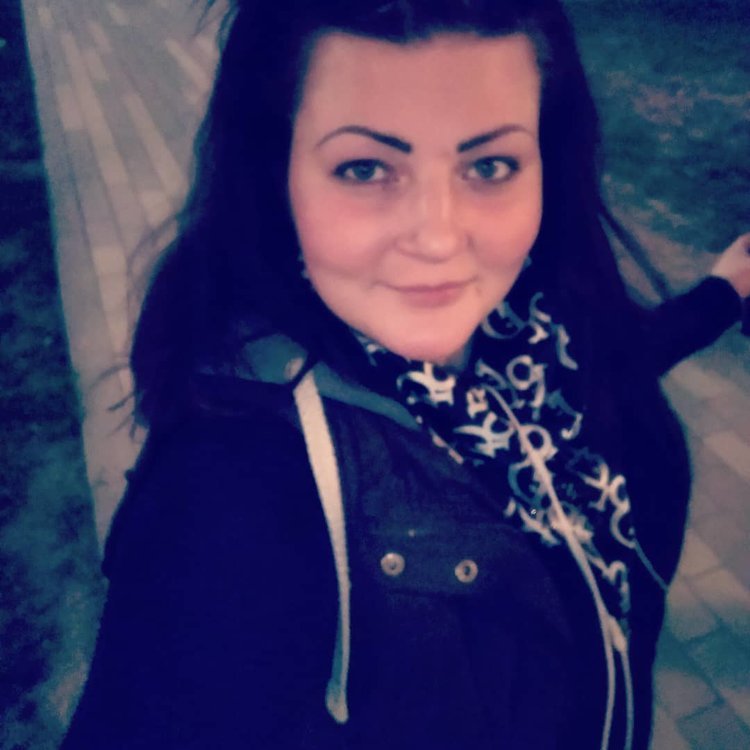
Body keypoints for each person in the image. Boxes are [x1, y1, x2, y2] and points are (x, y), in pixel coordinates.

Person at [62, 1, 749, 748]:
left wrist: (721, 298)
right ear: (276, 172)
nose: (439, 238)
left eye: (489, 165)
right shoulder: (231, 492)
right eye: (365, 168)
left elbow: (592, 375)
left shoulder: (531, 319)